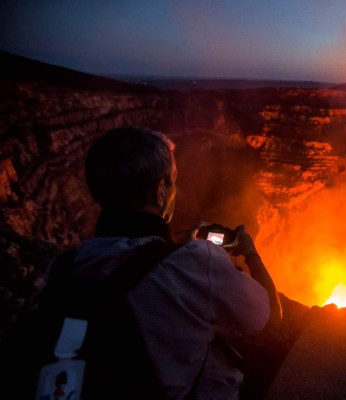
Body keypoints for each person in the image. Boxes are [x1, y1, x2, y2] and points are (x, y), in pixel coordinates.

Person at [74, 126, 281, 399]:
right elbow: (269, 320)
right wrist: (250, 252)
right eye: (173, 181)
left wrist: (170, 249)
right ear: (161, 190)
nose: (175, 191)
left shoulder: (68, 265)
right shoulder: (198, 261)